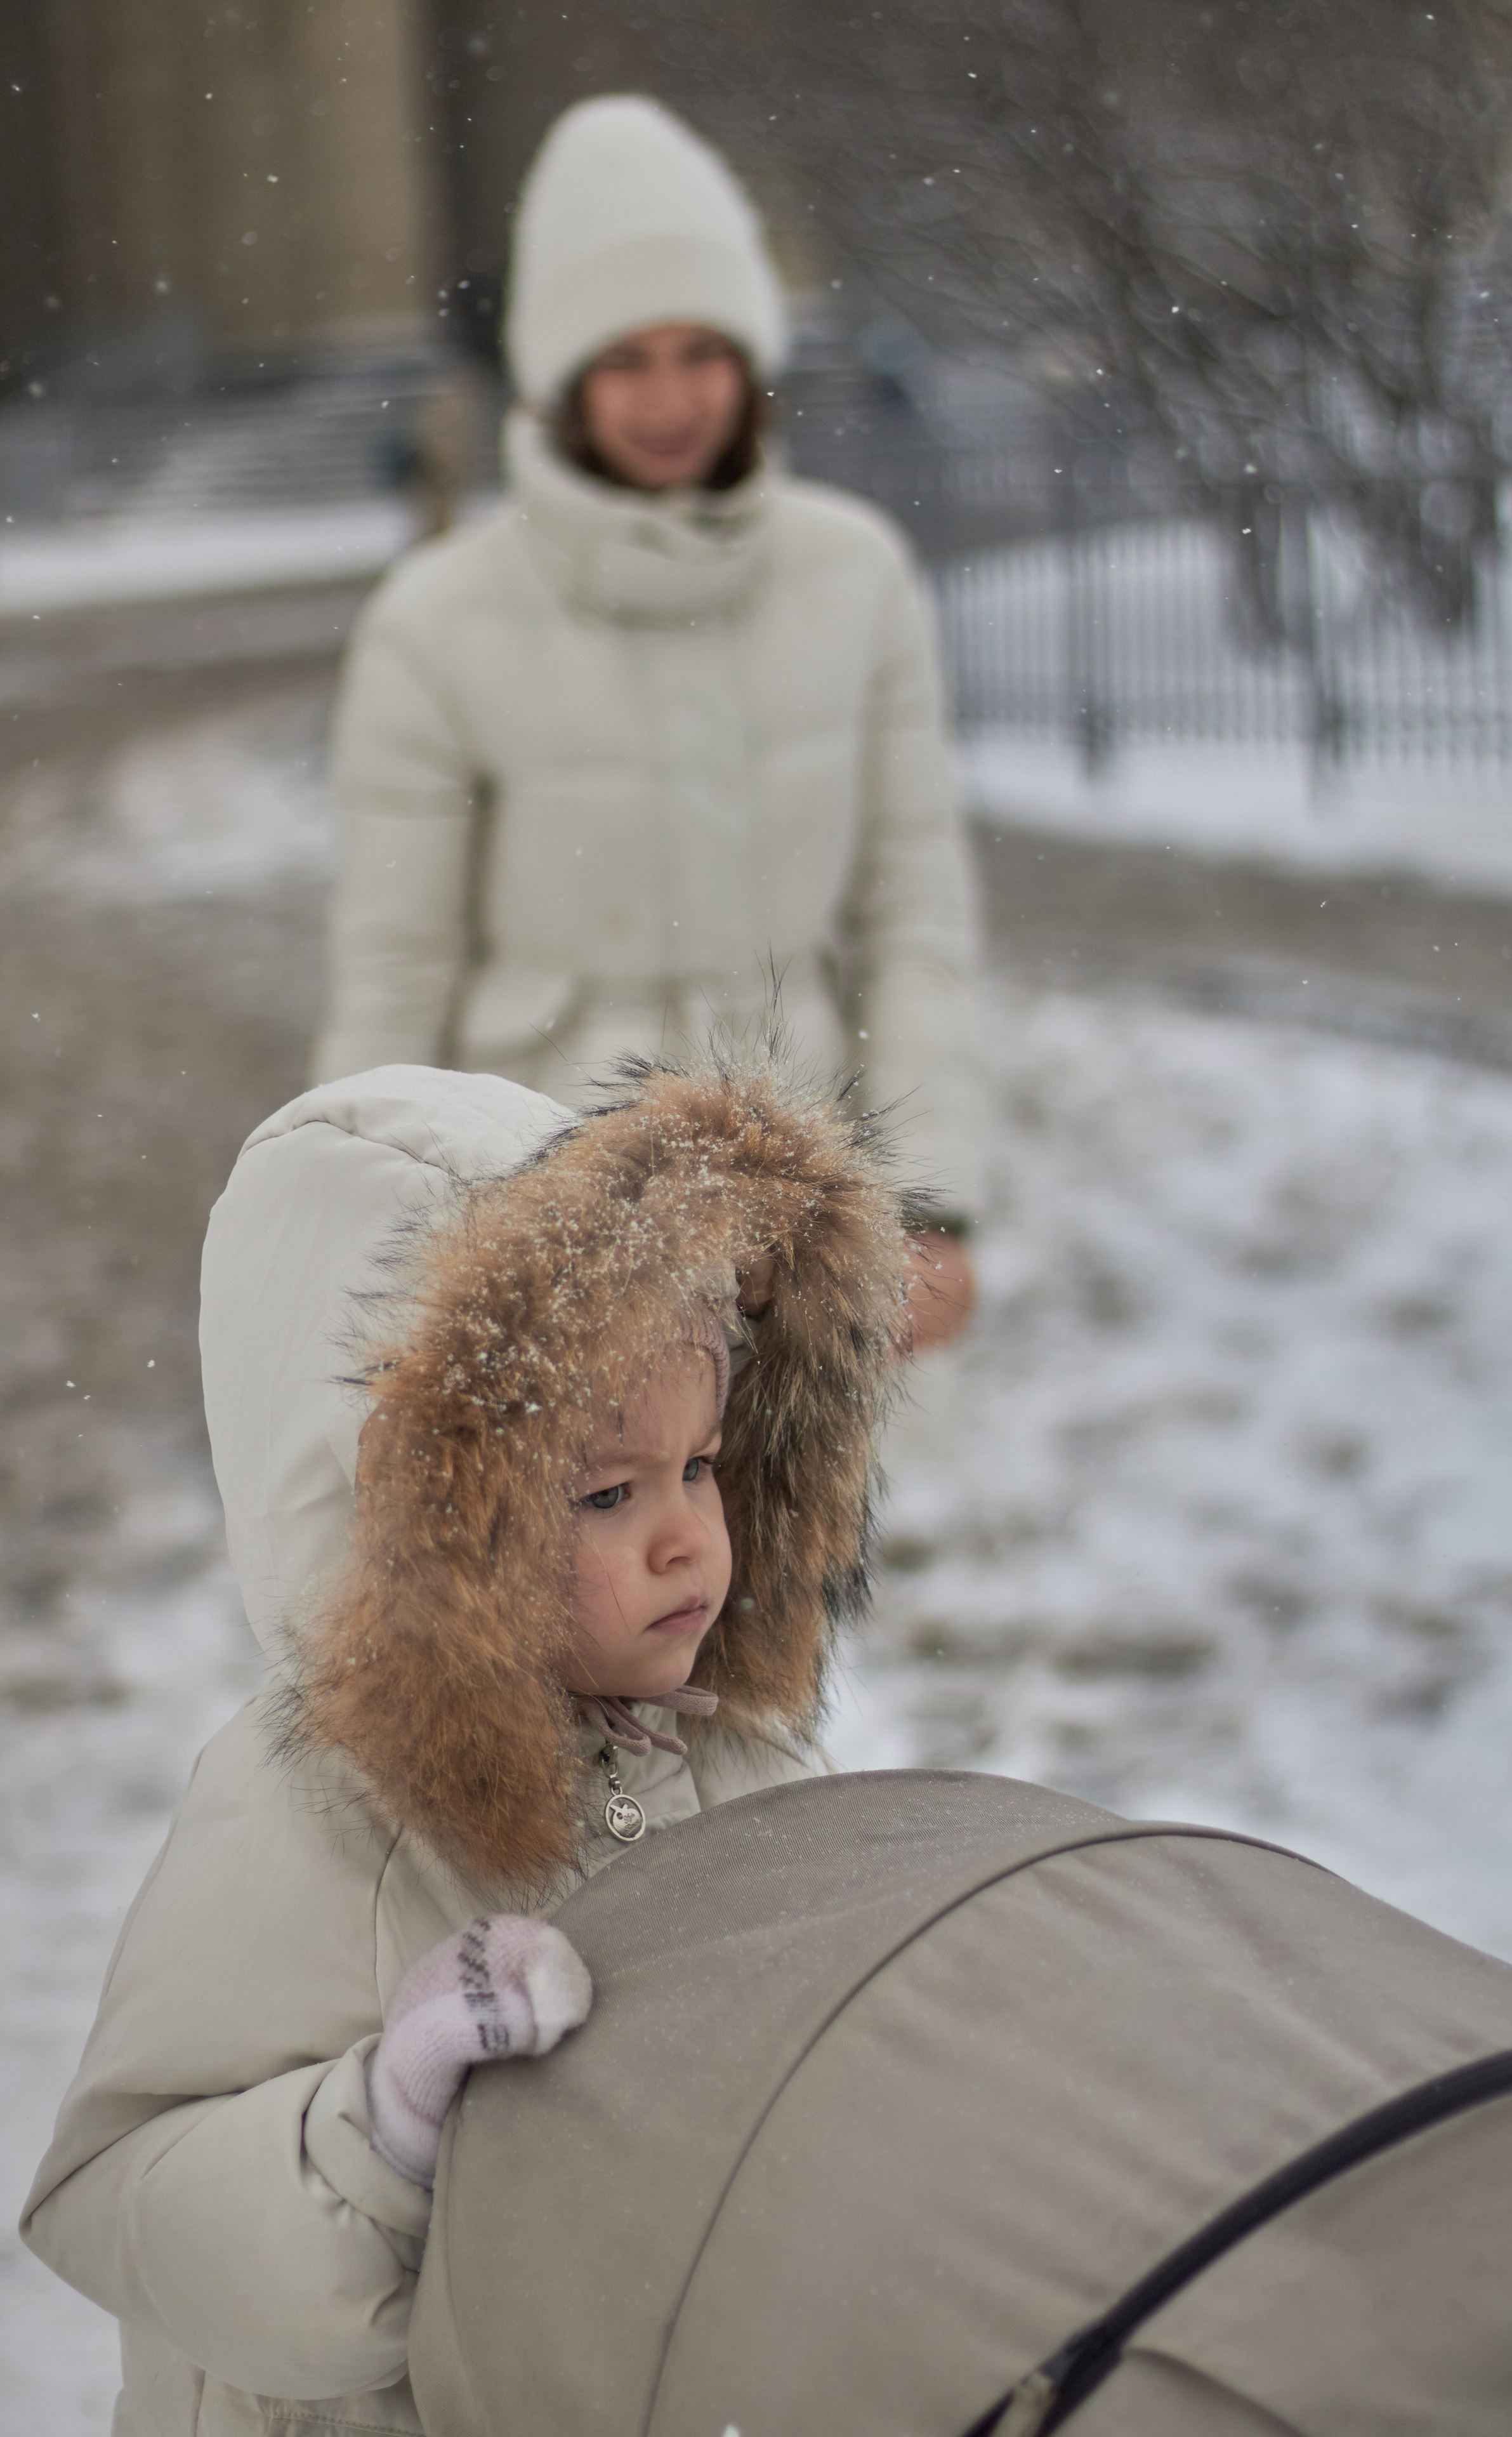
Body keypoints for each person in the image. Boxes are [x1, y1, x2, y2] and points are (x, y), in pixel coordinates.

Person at [22, 1052, 911, 2434]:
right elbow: (116, 2197)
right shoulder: (314, 1814)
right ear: (428, 1522)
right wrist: (386, 2132)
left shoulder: (741, 1766)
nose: (688, 1533)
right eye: (609, 1491)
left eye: (701, 1466)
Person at [310, 93, 980, 1349]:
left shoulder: (857, 579)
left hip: (807, 1226)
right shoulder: (435, 623)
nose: (671, 398)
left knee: (798, 1548)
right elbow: (393, 980)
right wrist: (363, 1263)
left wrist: (933, 1201)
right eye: (624, 359)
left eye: (702, 351)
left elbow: (911, 915)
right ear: (562, 380)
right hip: (539, 1225)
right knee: (606, 1542)